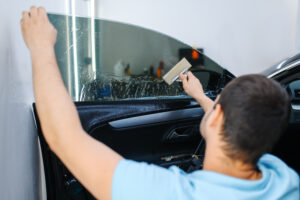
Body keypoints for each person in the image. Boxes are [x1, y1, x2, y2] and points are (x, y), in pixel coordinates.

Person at [20, 6, 299, 200]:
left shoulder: (170, 193)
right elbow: (243, 121)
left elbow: (63, 137)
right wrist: (201, 96)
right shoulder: (285, 179)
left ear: (217, 117)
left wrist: (41, 46)